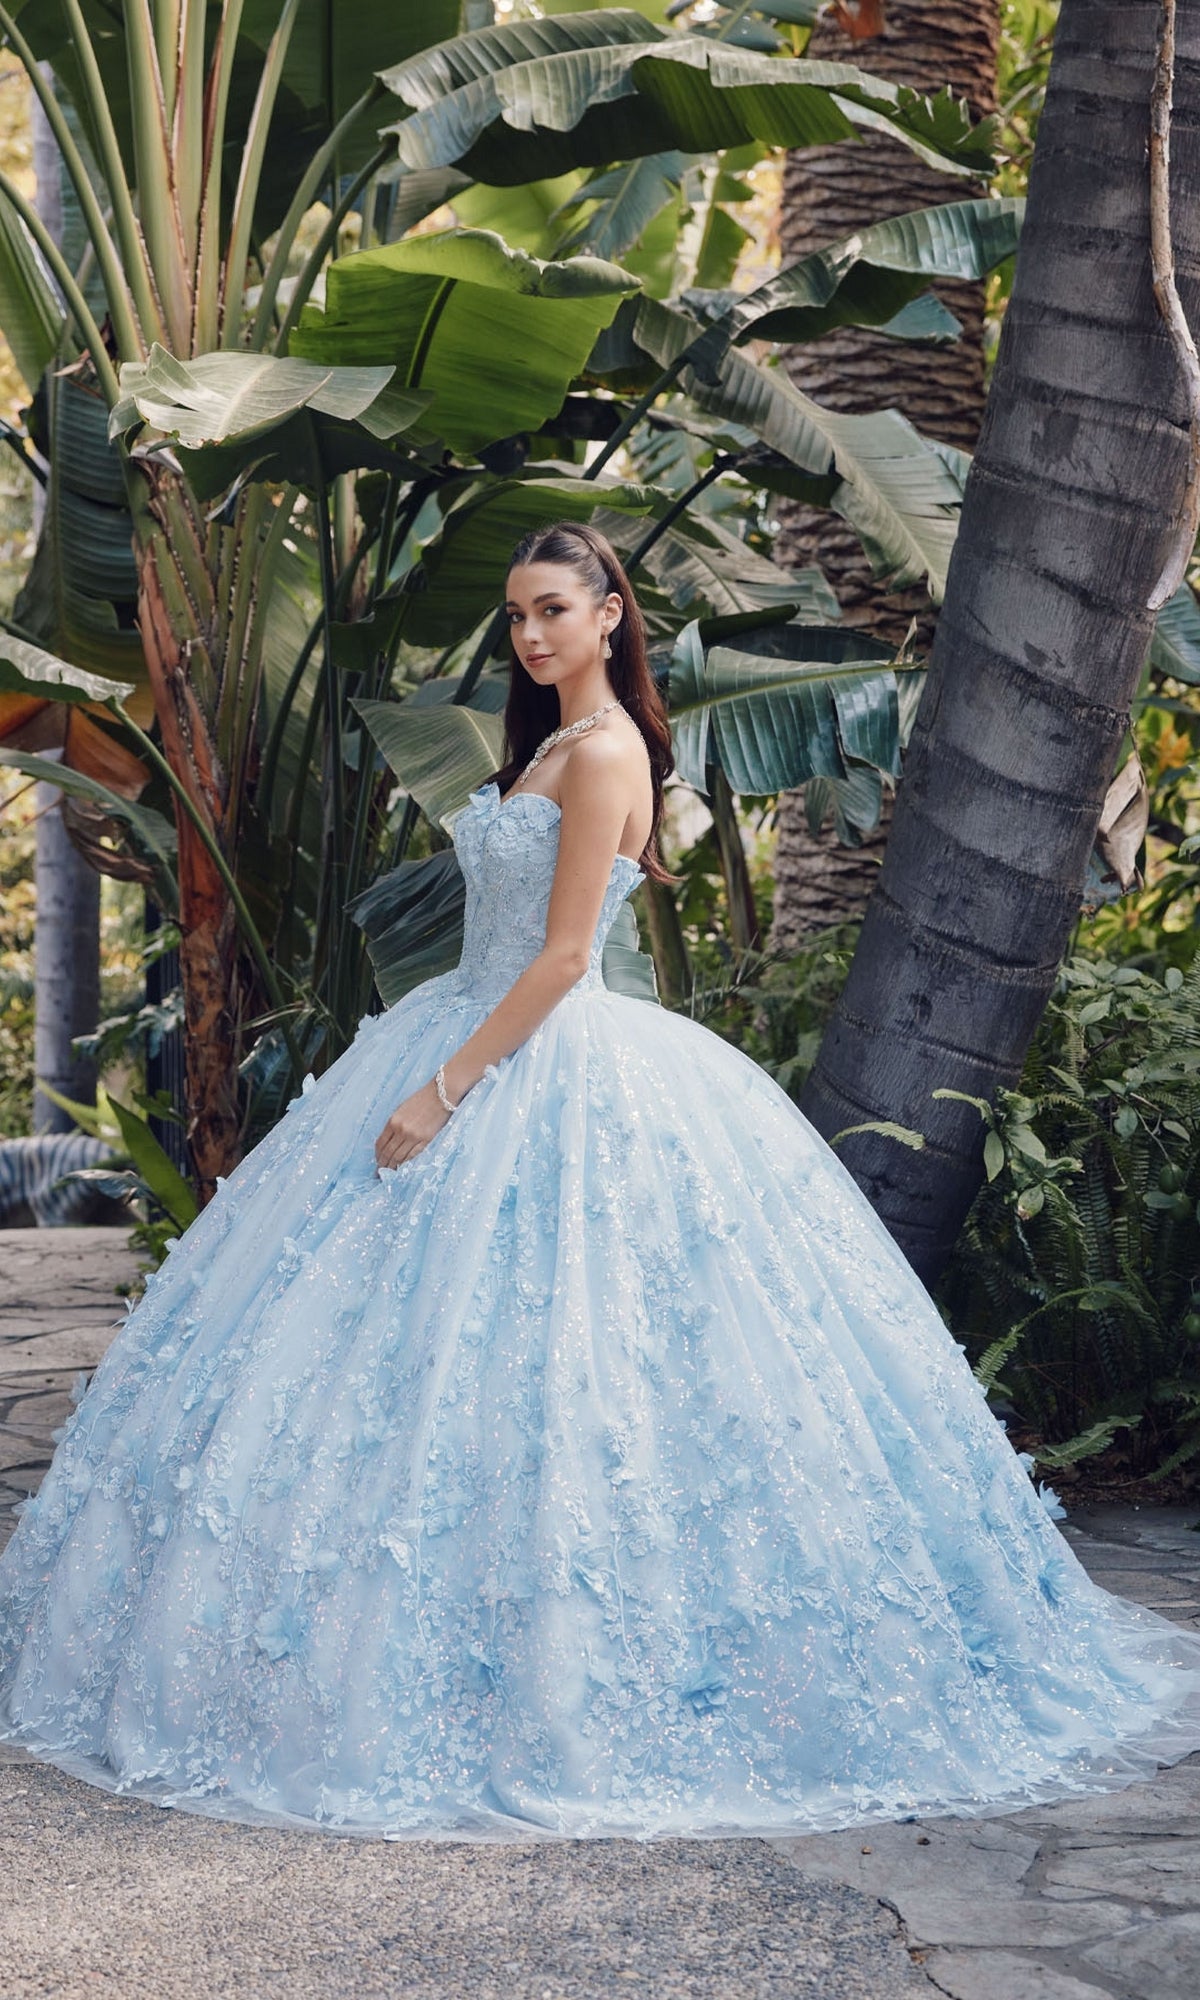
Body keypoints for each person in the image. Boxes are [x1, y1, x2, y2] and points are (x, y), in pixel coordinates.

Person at [2, 521, 1200, 1843]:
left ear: (613, 615)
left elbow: (569, 956)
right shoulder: (550, 748)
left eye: (554, 610)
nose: (529, 635)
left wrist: (445, 1086)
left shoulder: (610, 752)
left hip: (539, 1061)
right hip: (467, 1026)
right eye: (516, 614)